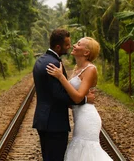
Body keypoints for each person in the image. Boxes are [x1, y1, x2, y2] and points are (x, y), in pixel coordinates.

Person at [46, 36, 112, 161]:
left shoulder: (90, 69)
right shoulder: (77, 69)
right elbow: (71, 98)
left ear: (86, 52)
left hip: (87, 118)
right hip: (79, 116)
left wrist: (61, 77)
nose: (74, 45)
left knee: (86, 152)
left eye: (78, 44)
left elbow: (77, 98)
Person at [32, 28, 94, 161]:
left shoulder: (41, 60)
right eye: (67, 45)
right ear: (58, 46)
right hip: (54, 123)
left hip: (43, 120)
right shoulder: (54, 63)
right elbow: (58, 95)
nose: (70, 46)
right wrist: (84, 100)